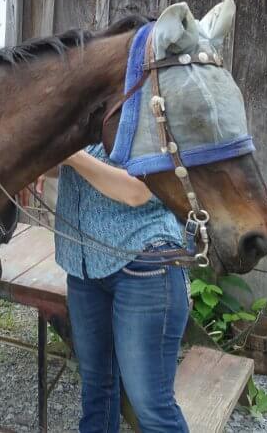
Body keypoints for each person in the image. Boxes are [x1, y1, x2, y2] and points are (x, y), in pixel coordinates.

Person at [36, 144, 190, 433]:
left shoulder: (146, 104)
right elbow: (72, 167)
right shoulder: (79, 103)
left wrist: (70, 153)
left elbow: (137, 191)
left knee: (151, 405)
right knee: (97, 388)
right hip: (83, 264)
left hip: (144, 263)